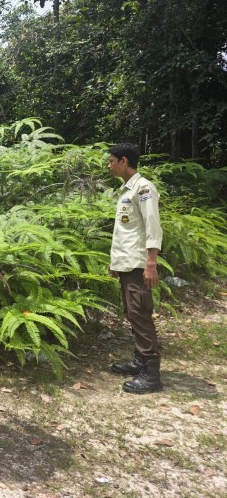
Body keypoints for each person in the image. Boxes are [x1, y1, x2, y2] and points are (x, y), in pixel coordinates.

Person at [106, 143, 163, 394]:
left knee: (140, 315)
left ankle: (151, 375)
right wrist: (116, 262)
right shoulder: (127, 190)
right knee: (132, 313)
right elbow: (127, 232)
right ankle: (140, 361)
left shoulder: (144, 189)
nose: (109, 166)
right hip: (128, 263)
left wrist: (151, 263)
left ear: (124, 161)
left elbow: (153, 226)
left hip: (140, 265)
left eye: (111, 161)